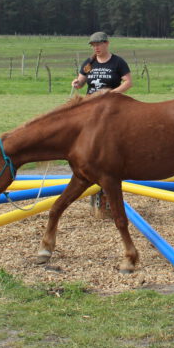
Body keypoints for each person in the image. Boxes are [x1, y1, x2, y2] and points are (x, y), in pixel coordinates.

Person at [71, 31, 132, 219]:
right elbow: (82, 80)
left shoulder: (118, 62)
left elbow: (128, 82)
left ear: (107, 43)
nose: (96, 47)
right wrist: (77, 83)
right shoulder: (89, 63)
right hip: (90, 108)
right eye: (93, 45)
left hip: (110, 107)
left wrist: (112, 93)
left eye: (99, 44)